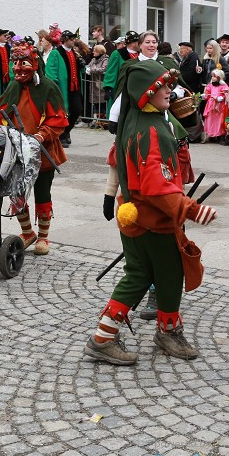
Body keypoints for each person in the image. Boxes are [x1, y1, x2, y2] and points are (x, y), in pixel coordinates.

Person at [83, 63, 217, 365]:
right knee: (169, 275)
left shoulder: (135, 120)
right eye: (162, 86)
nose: (169, 90)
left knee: (138, 274)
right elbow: (157, 185)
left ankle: (103, 337)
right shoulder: (151, 129)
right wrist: (191, 209)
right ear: (146, 92)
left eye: (168, 85)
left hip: (132, 215)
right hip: (154, 219)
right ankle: (167, 332)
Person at [0, 43, 69, 255]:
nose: (18, 68)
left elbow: (58, 119)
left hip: (42, 153)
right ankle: (27, 233)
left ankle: (43, 237)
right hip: (16, 151)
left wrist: (41, 135)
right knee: (17, 192)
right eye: (15, 63)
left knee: (43, 194)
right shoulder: (13, 87)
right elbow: (0, 113)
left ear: (34, 64)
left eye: (23, 63)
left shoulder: (48, 87)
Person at [103, 31, 140, 114]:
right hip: (121, 90)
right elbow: (111, 71)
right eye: (139, 42)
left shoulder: (140, 54)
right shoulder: (118, 54)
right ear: (133, 43)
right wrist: (108, 88)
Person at [202, 69, 229, 142]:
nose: (212, 78)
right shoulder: (210, 85)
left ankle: (220, 135)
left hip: (219, 106)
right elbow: (207, 94)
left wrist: (222, 97)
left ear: (219, 77)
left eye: (214, 76)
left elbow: (227, 94)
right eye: (212, 76)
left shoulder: (223, 86)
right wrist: (204, 96)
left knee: (219, 120)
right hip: (211, 105)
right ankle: (212, 135)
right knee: (211, 120)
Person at [86, 44, 109, 119]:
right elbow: (88, 66)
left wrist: (92, 70)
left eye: (95, 51)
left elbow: (103, 69)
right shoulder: (93, 59)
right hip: (93, 84)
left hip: (100, 84)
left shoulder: (105, 59)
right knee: (95, 103)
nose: (93, 52)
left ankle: (103, 121)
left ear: (99, 52)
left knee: (102, 103)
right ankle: (96, 121)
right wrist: (90, 69)